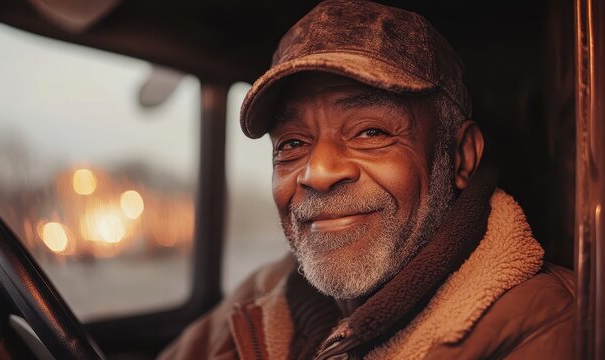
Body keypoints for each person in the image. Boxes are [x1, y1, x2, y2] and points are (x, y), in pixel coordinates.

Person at [159, 1, 575, 359]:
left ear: (462, 157)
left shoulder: (547, 322)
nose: (317, 173)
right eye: (291, 144)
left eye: (371, 132)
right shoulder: (265, 291)